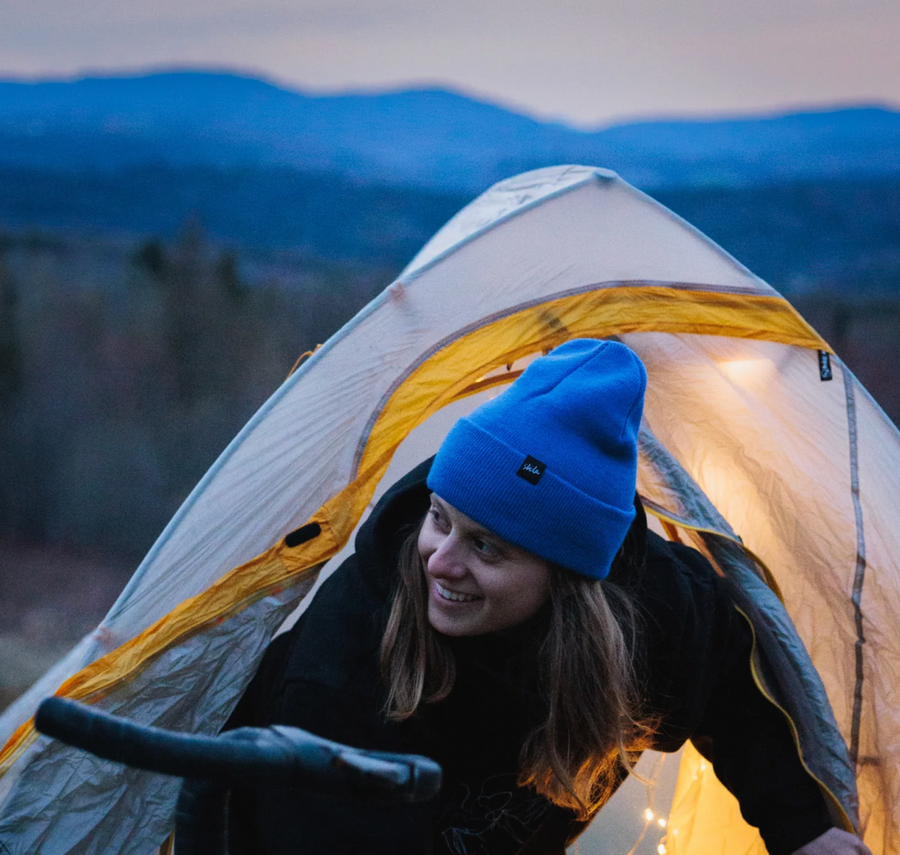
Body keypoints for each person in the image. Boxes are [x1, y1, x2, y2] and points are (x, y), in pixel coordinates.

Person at [226, 339, 868, 855]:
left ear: (568, 580)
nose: (440, 562)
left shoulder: (654, 614)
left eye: (487, 548)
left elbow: (729, 678)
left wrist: (800, 828)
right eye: (440, 518)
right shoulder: (343, 671)